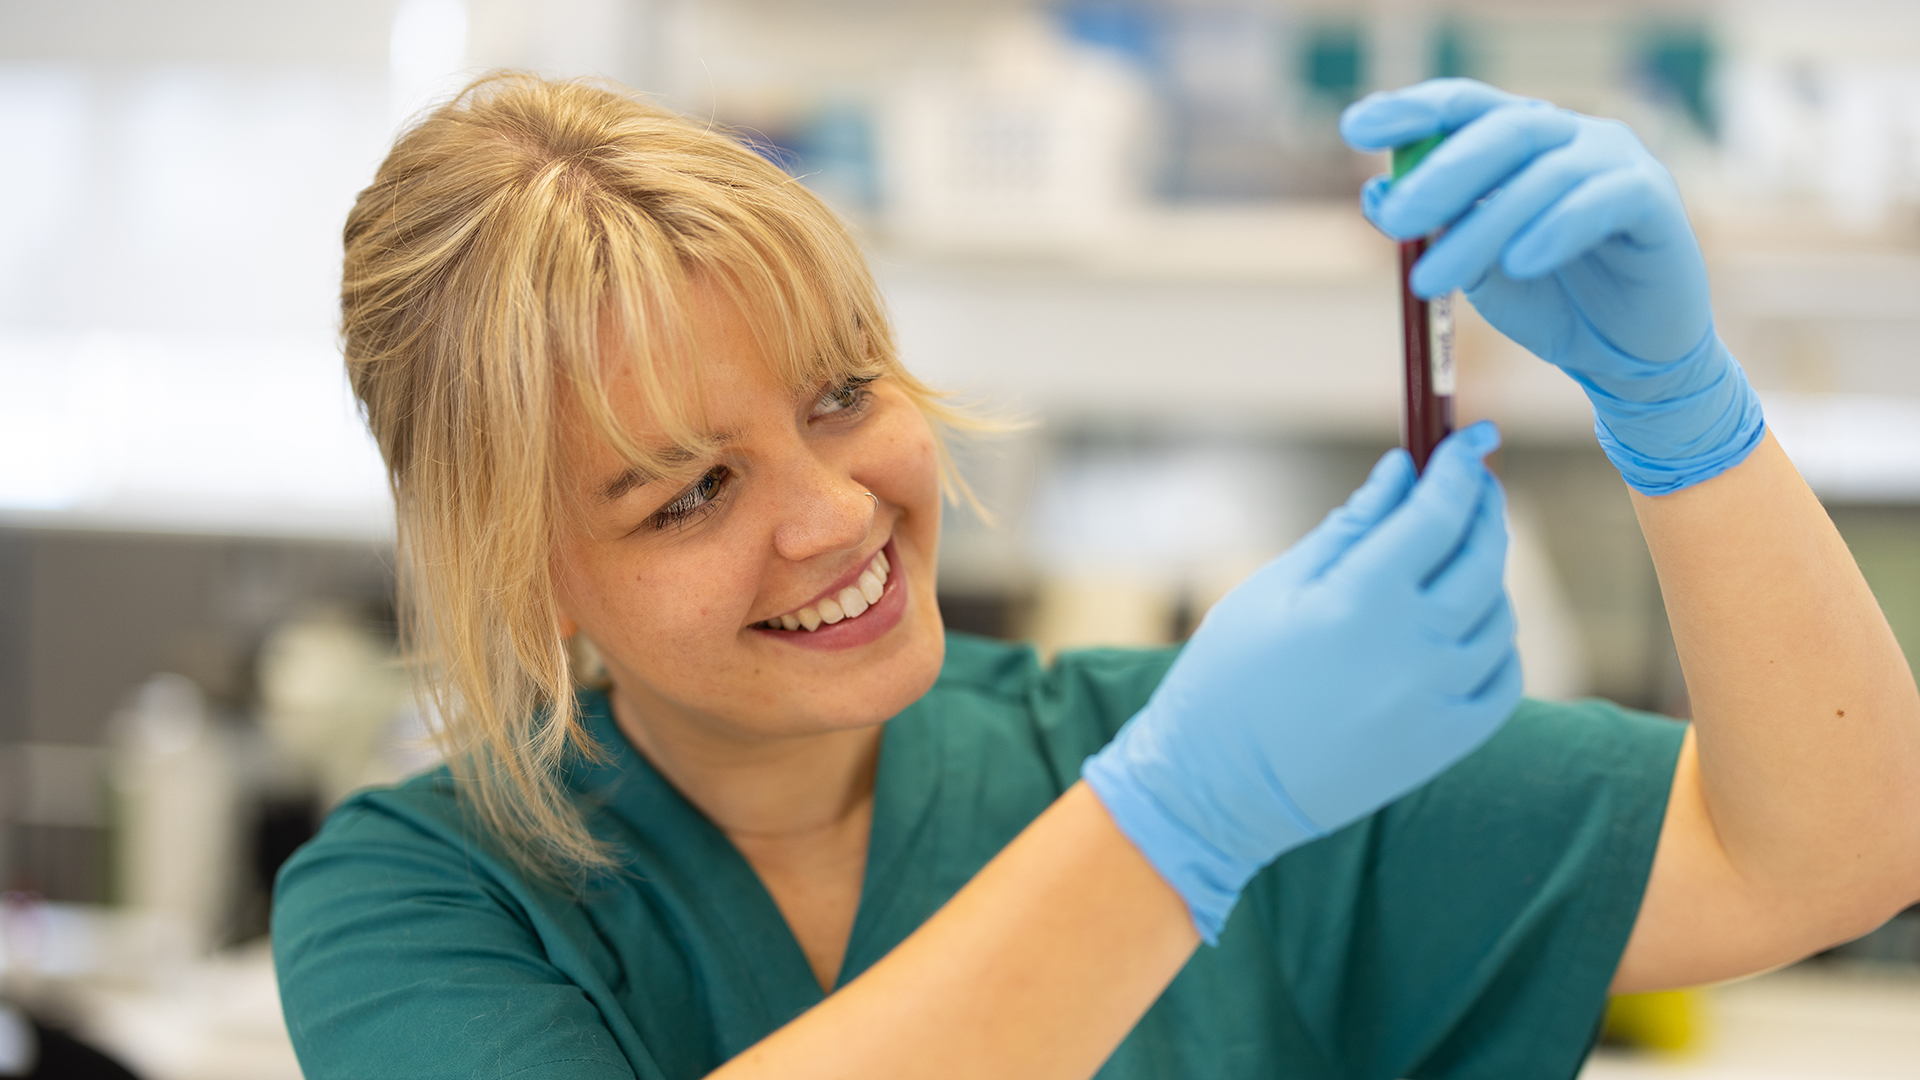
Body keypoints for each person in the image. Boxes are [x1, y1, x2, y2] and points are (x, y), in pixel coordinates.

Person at [271, 74, 1920, 1079]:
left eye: (845, 394)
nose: (834, 513)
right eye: (693, 492)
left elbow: (1831, 851)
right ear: (527, 574)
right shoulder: (422, 902)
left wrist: (1678, 413)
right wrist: (1177, 828)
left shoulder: (1217, 753)